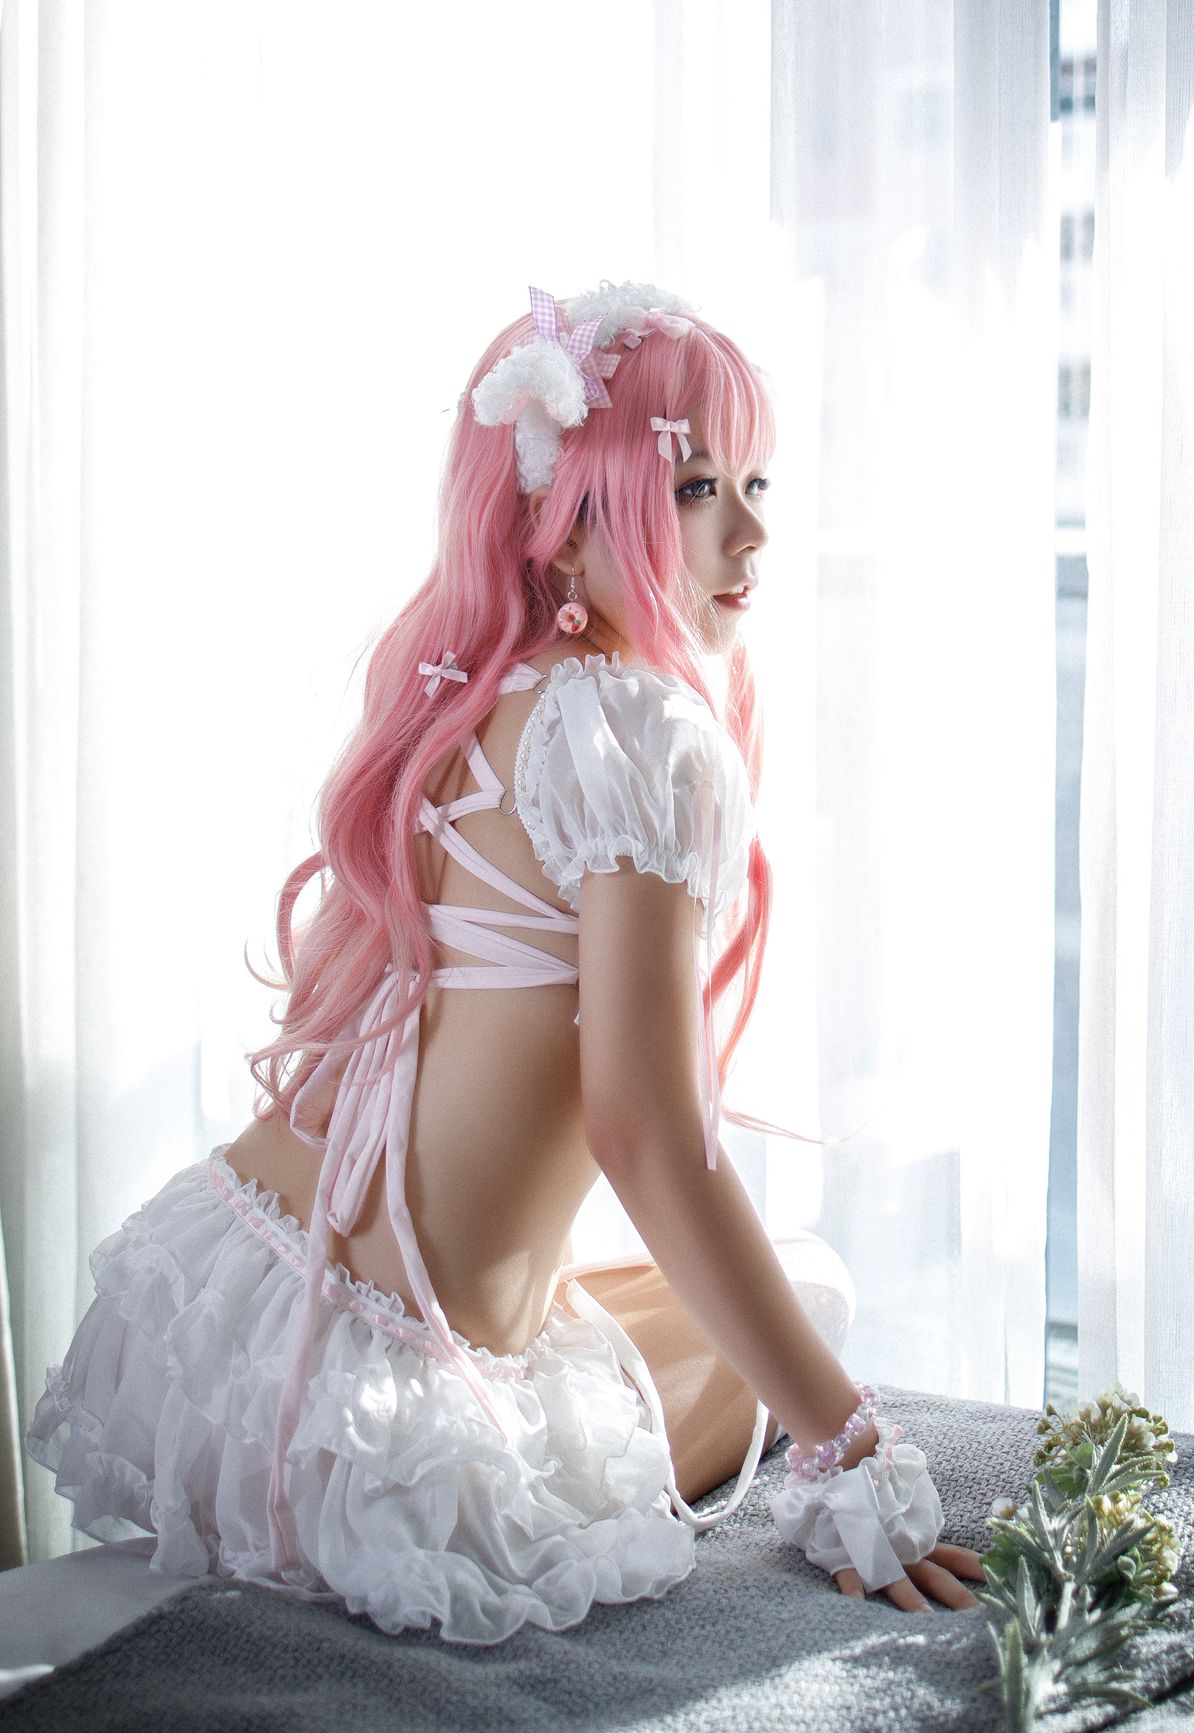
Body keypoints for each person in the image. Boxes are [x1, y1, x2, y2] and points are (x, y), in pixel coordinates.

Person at [25, 278, 985, 1644]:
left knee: (795, 1279)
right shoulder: (646, 733)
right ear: (566, 522)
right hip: (392, 1427)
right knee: (808, 1304)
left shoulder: (461, 701)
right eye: (697, 487)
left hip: (229, 1317)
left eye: (755, 482)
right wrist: (850, 1454)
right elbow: (647, 1135)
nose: (752, 532)